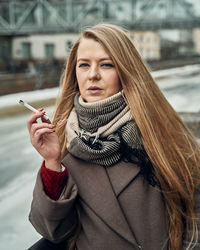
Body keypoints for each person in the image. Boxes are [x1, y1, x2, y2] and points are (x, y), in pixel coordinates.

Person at [27, 24, 200, 250]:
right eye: (84, 65)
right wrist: (52, 164)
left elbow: (195, 208)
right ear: (74, 72)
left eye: (106, 64)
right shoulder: (63, 142)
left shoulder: (160, 132)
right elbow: (54, 232)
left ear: (126, 71)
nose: (93, 75)